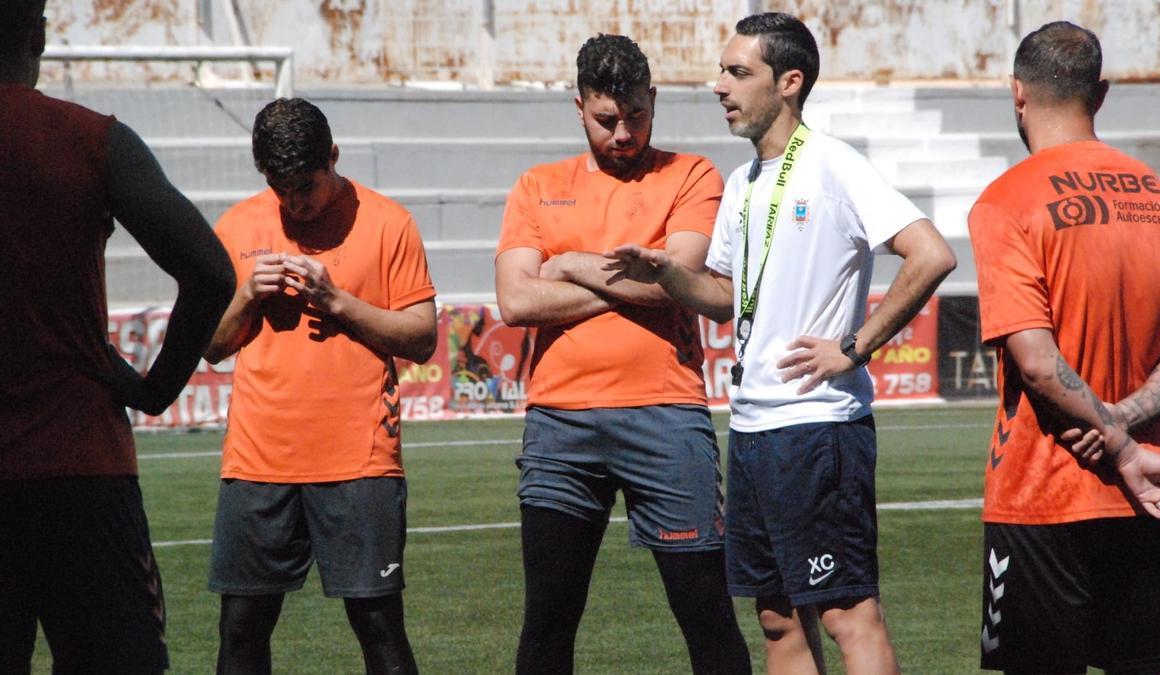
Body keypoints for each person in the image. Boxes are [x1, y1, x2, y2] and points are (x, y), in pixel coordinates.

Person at [605, 13, 957, 674]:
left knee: (848, 612)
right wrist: (670, 276)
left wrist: (855, 345)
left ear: (789, 82)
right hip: (755, 427)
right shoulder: (743, 183)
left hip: (817, 428)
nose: (719, 85)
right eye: (723, 70)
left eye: (738, 72)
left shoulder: (831, 164)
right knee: (775, 618)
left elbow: (931, 253)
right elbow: (730, 294)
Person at [494, 34, 752, 675]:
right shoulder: (536, 185)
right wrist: (643, 288)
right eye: (606, 119)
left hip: (666, 416)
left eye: (636, 115)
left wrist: (573, 265)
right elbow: (517, 304)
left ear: (654, 100)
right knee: (548, 621)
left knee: (707, 616)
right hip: (559, 422)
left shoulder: (691, 174)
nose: (623, 132)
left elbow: (680, 278)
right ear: (578, 105)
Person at [0, 0, 236, 672]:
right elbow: (211, 270)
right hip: (78, 464)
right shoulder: (91, 138)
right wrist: (155, 389)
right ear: (38, 38)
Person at [965, 21, 1160, 674]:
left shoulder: (1007, 202)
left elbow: (1037, 361)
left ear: (1018, 93)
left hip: (1042, 492)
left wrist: (1112, 439)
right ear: (1101, 94)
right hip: (1144, 488)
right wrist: (1126, 424)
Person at [203, 98, 437, 675]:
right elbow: (210, 346)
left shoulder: (388, 222)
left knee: (379, 626)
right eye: (279, 188)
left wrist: (337, 302)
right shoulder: (236, 227)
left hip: (359, 460)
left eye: (305, 186)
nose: (294, 203)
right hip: (258, 461)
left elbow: (422, 338)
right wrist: (246, 296)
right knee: (240, 630)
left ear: (333, 157)